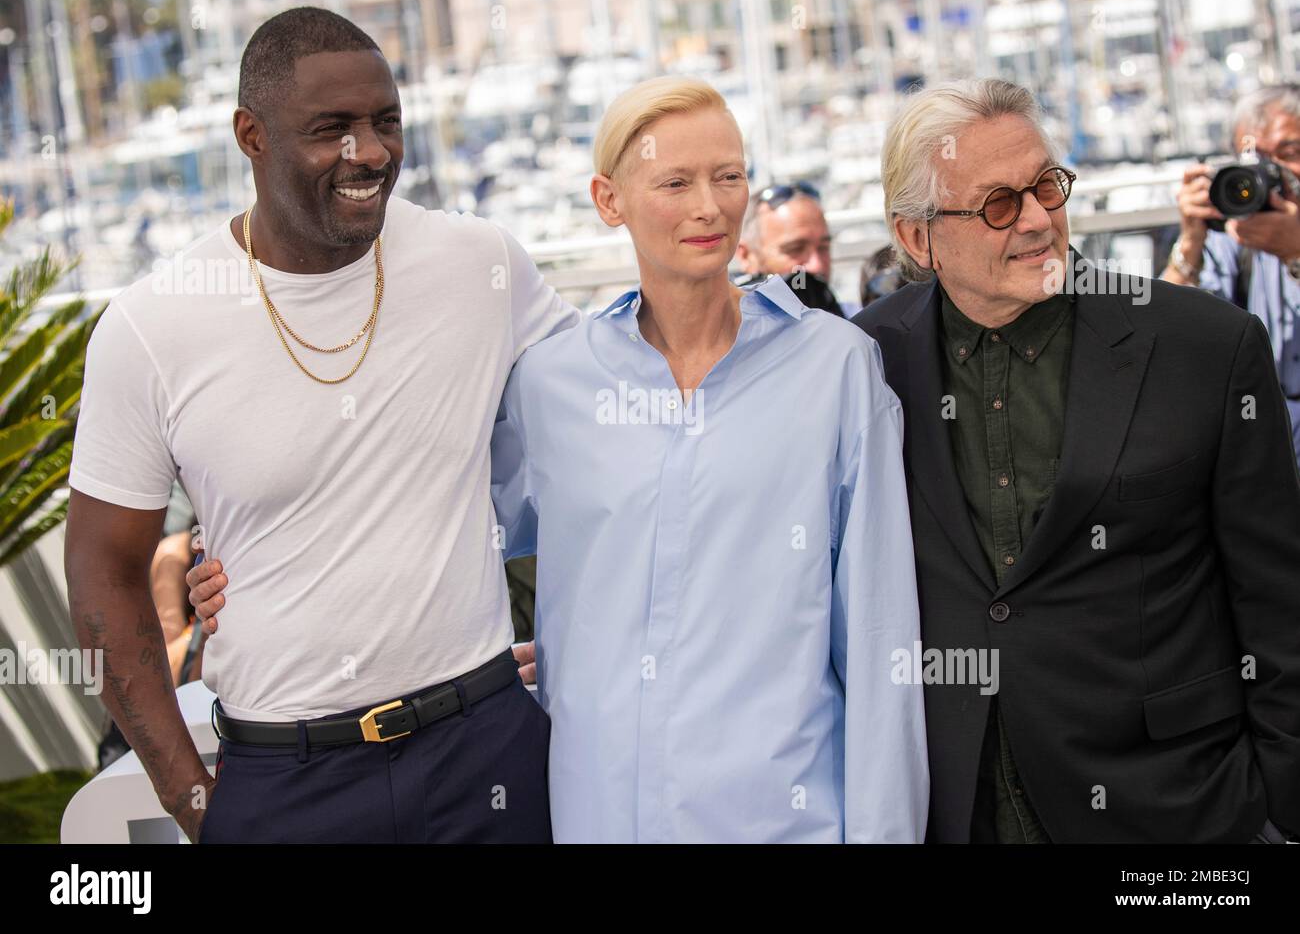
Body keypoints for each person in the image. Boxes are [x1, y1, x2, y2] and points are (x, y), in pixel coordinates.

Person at [193, 76, 930, 843]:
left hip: (788, 818)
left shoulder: (834, 367)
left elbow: (881, 635)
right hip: (597, 817)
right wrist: (241, 561)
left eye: (729, 175)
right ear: (608, 200)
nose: (709, 206)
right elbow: (425, 527)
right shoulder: (552, 385)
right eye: (674, 182)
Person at [64, 7, 574, 844]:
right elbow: (101, 580)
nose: (369, 152)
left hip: (486, 751)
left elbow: (611, 428)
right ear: (251, 135)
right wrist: (195, 801)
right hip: (285, 782)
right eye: (331, 128)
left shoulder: (480, 264)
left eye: (385, 122)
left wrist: (570, 646)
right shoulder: (151, 327)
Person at [852, 77, 1300, 843]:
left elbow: (1280, 601)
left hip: (1175, 814)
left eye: (1047, 187)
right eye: (998, 203)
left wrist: (1281, 809)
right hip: (959, 807)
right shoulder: (865, 358)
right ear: (917, 237)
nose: (1035, 221)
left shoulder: (1204, 346)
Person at [1162, 84, 1300, 464]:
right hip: (1266, 459)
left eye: (1288, 154)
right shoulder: (1234, 238)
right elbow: (1162, 337)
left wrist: (1295, 251)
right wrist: (1191, 240)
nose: (1271, 174)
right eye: (1255, 159)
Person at [735, 181, 844, 316]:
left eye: (823, 248)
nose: (817, 266)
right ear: (746, 255)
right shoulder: (726, 331)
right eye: (795, 249)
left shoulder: (856, 323)